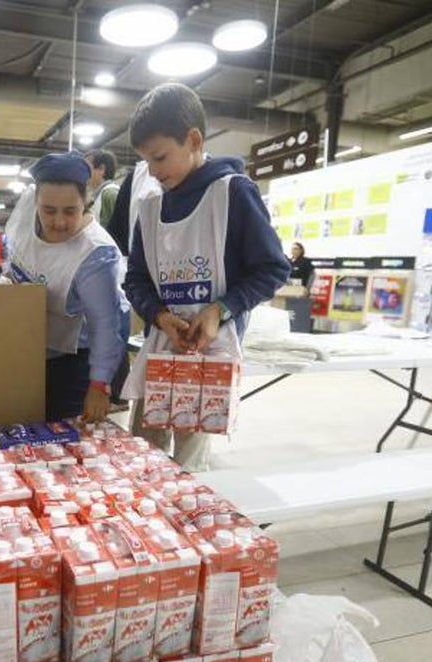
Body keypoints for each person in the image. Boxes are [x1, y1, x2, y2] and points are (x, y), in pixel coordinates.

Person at [122, 83, 291, 470]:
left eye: (160, 157)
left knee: (190, 465)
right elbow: (136, 280)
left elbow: (273, 268)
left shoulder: (233, 194)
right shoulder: (150, 209)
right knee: (141, 454)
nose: (153, 171)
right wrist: (159, 316)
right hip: (161, 348)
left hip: (208, 358)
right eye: (146, 161)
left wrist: (220, 310)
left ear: (194, 140)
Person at [3, 152, 127, 423]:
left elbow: (105, 326)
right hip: (25, 345)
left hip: (71, 357)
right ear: (35, 201)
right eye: (48, 211)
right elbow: (9, 259)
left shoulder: (95, 254)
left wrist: (99, 386)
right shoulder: (26, 212)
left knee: (62, 433)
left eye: (70, 211)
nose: (59, 222)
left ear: (85, 203)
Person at [85, 150, 121, 228]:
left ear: (101, 169)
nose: (83, 172)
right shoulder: (99, 195)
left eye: (86, 168)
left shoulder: (110, 193)